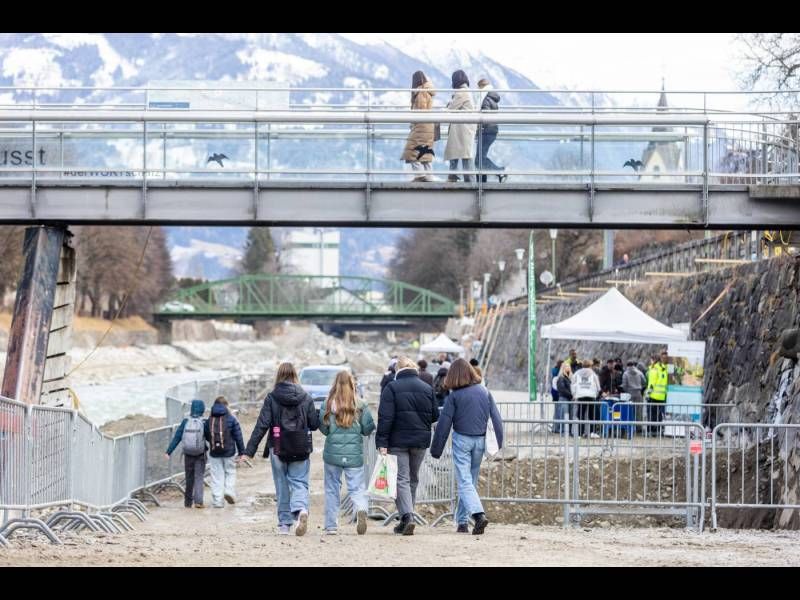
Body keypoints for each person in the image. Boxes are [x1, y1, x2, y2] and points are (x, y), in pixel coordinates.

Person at [244, 362, 320, 536]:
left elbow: (262, 425)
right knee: (299, 481)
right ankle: (301, 509)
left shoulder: (272, 397)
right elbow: (315, 425)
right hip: (301, 446)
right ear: (295, 375)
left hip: (277, 447)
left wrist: (249, 451)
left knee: (282, 484)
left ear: (278, 376)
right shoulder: (306, 397)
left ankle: (284, 525)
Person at [431, 358, 503, 535]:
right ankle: (462, 522)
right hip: (480, 441)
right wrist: (499, 443)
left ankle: (478, 515)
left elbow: (444, 423)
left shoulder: (454, 396)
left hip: (462, 440)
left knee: (464, 481)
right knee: (469, 482)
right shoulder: (484, 391)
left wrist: (436, 449)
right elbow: (496, 419)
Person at [376, 356, 439, 535]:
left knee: (401, 479)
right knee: (412, 478)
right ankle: (406, 518)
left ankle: (407, 517)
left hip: (398, 441)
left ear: (397, 370)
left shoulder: (392, 388)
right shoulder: (427, 388)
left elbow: (385, 418)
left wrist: (382, 442)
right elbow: (435, 416)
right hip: (420, 441)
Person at [319, 370, 375, 535]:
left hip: (332, 454)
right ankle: (361, 509)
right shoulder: (360, 405)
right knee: (357, 488)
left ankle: (331, 526)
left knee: (331, 489)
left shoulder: (328, 404)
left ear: (335, 384)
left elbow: (323, 428)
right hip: (354, 455)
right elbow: (367, 430)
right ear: (352, 384)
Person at [165, 399, 207, 509]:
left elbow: (177, 437)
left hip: (188, 454)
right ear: (202, 409)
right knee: (199, 477)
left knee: (189, 478)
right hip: (200, 454)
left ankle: (187, 503)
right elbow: (209, 437)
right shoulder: (204, 422)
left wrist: (168, 451)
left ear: (191, 408)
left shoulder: (185, 422)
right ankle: (198, 501)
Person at [206, 397, 245, 508]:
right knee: (230, 472)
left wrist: (214, 444)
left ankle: (218, 501)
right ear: (226, 405)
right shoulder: (231, 418)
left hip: (214, 453)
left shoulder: (210, 419)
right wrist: (242, 451)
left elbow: (207, 434)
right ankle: (229, 491)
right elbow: (238, 436)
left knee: (217, 476)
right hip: (229, 452)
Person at [402, 71, 437, 182]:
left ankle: (419, 175)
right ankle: (429, 177)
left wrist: (413, 122)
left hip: (421, 126)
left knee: (411, 152)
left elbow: (420, 110)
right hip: (428, 126)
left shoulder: (421, 91)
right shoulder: (427, 90)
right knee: (425, 153)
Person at [445, 70, 477, 182]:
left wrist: (449, 104)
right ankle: (454, 176)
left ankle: (468, 182)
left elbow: (451, 109)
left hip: (462, 129)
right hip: (465, 128)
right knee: (463, 153)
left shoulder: (461, 92)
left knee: (464, 155)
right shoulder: (467, 91)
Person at [475, 78, 506, 183]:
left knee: (478, 160)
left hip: (486, 131)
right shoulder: (492, 98)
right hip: (491, 131)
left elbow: (485, 116)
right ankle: (483, 180)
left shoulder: (485, 99)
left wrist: (480, 127)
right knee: (480, 158)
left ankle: (499, 172)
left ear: (481, 87)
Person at [572, 360, 601, 438]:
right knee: (592, 415)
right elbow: (598, 387)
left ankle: (580, 433)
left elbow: (573, 384)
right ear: (590, 365)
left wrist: (574, 394)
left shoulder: (577, 373)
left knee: (580, 415)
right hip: (591, 396)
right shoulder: (593, 374)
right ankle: (592, 432)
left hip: (580, 396)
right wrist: (596, 394)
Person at [646, 351, 670, 435]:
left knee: (651, 415)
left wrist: (648, 394)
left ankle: (651, 431)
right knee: (659, 415)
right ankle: (657, 430)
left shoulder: (654, 369)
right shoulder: (664, 368)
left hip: (654, 396)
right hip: (662, 396)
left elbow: (651, 384)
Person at [554, 362, 573, 435]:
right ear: (563, 368)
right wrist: (571, 395)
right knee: (563, 415)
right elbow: (562, 389)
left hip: (569, 399)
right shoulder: (561, 378)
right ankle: (562, 431)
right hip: (563, 398)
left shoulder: (570, 378)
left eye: (569, 366)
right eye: (566, 366)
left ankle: (568, 431)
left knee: (569, 416)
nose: (568, 368)